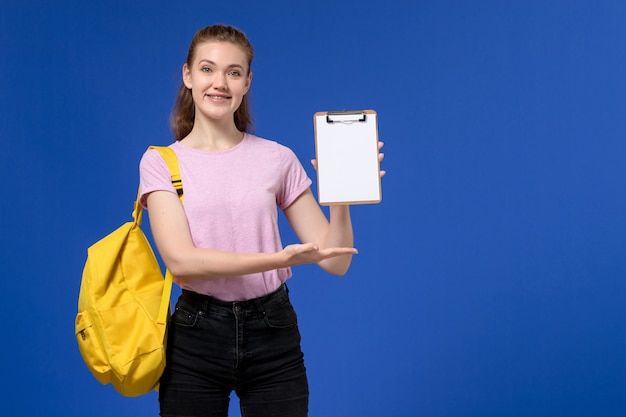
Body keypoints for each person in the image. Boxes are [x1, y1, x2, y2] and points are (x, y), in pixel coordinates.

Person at [139, 24, 384, 417]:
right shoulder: (160, 162)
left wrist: (340, 195)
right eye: (207, 69)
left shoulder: (277, 158)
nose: (220, 83)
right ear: (188, 75)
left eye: (233, 72)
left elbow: (336, 260)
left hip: (273, 331)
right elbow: (182, 261)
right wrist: (278, 260)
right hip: (195, 333)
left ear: (247, 82)